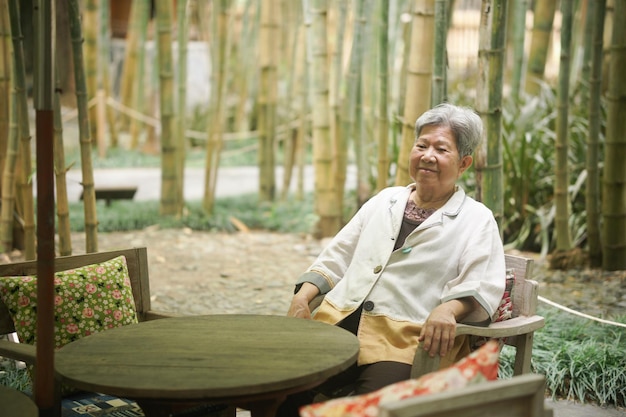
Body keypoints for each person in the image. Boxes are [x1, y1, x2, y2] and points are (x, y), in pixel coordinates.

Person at [277, 103, 506, 416]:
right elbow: (338, 254)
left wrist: (448, 309)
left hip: (405, 343)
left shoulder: (476, 219)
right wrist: (303, 298)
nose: (427, 155)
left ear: (464, 163)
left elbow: (481, 281)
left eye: (441, 149)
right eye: (421, 145)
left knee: (370, 410)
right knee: (282, 391)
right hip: (337, 325)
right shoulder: (386, 199)